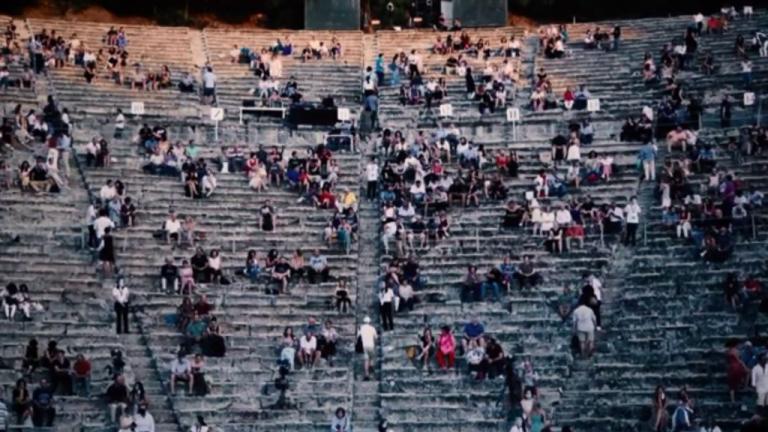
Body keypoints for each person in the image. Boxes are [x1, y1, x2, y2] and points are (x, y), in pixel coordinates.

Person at [358, 316, 377, 380]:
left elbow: (358, 336)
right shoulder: (372, 328)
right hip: (371, 345)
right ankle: (371, 365)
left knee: (366, 360)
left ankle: (366, 374)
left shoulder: (361, 328)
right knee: (371, 357)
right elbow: (375, 337)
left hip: (364, 345)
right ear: (369, 322)